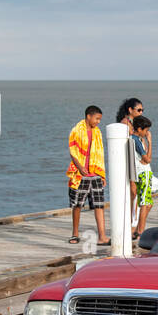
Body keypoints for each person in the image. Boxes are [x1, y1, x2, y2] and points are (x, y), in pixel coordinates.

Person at [67, 105, 110, 246]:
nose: (98, 122)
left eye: (99, 119)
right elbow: (73, 151)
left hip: (95, 172)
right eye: (97, 119)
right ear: (89, 116)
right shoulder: (76, 131)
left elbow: (100, 153)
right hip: (80, 174)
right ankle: (75, 233)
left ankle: (102, 237)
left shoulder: (97, 132)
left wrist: (102, 174)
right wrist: (80, 167)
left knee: (99, 205)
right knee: (77, 205)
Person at [116, 96, 143, 224]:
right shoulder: (125, 124)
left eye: (142, 110)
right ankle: (129, 221)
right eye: (139, 110)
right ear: (130, 110)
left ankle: (133, 221)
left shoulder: (133, 123)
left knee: (135, 191)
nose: (141, 113)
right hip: (128, 161)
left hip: (135, 160)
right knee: (132, 191)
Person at [131, 115, 154, 240]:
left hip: (139, 173)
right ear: (139, 129)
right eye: (146, 130)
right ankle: (140, 232)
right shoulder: (137, 141)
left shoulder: (132, 139)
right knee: (145, 203)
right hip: (143, 173)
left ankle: (139, 228)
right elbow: (148, 159)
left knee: (148, 203)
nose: (147, 133)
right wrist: (150, 142)